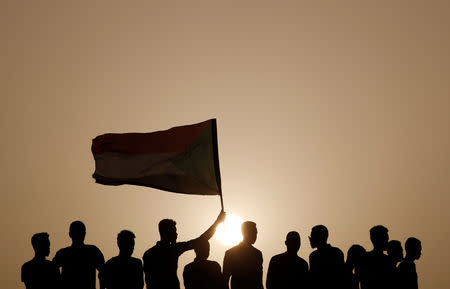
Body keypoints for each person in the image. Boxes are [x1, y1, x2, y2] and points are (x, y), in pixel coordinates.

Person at [143, 210, 226, 289]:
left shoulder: (148, 253)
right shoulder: (173, 249)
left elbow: (148, 279)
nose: (176, 234)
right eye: (174, 231)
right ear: (167, 232)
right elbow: (201, 240)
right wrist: (217, 222)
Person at [53, 220, 105, 289]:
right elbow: (103, 273)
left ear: (70, 234)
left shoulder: (63, 253)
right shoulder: (93, 251)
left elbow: (103, 273)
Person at [223, 221, 263, 289]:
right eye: (253, 232)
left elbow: (259, 280)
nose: (255, 235)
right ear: (244, 233)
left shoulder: (258, 254)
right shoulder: (231, 253)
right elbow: (225, 279)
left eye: (256, 233)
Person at [308, 225, 345, 289]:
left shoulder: (314, 256)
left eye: (312, 236)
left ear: (319, 237)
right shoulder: (337, 252)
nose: (310, 239)